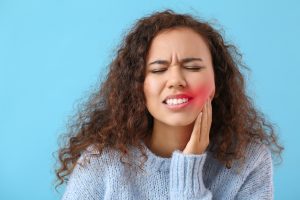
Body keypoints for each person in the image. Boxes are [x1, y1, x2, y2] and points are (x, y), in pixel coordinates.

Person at [55, 10, 283, 199]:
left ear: (217, 82)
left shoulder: (249, 160)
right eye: (158, 70)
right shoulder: (101, 162)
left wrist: (189, 170)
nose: (176, 81)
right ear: (138, 87)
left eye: (193, 67)